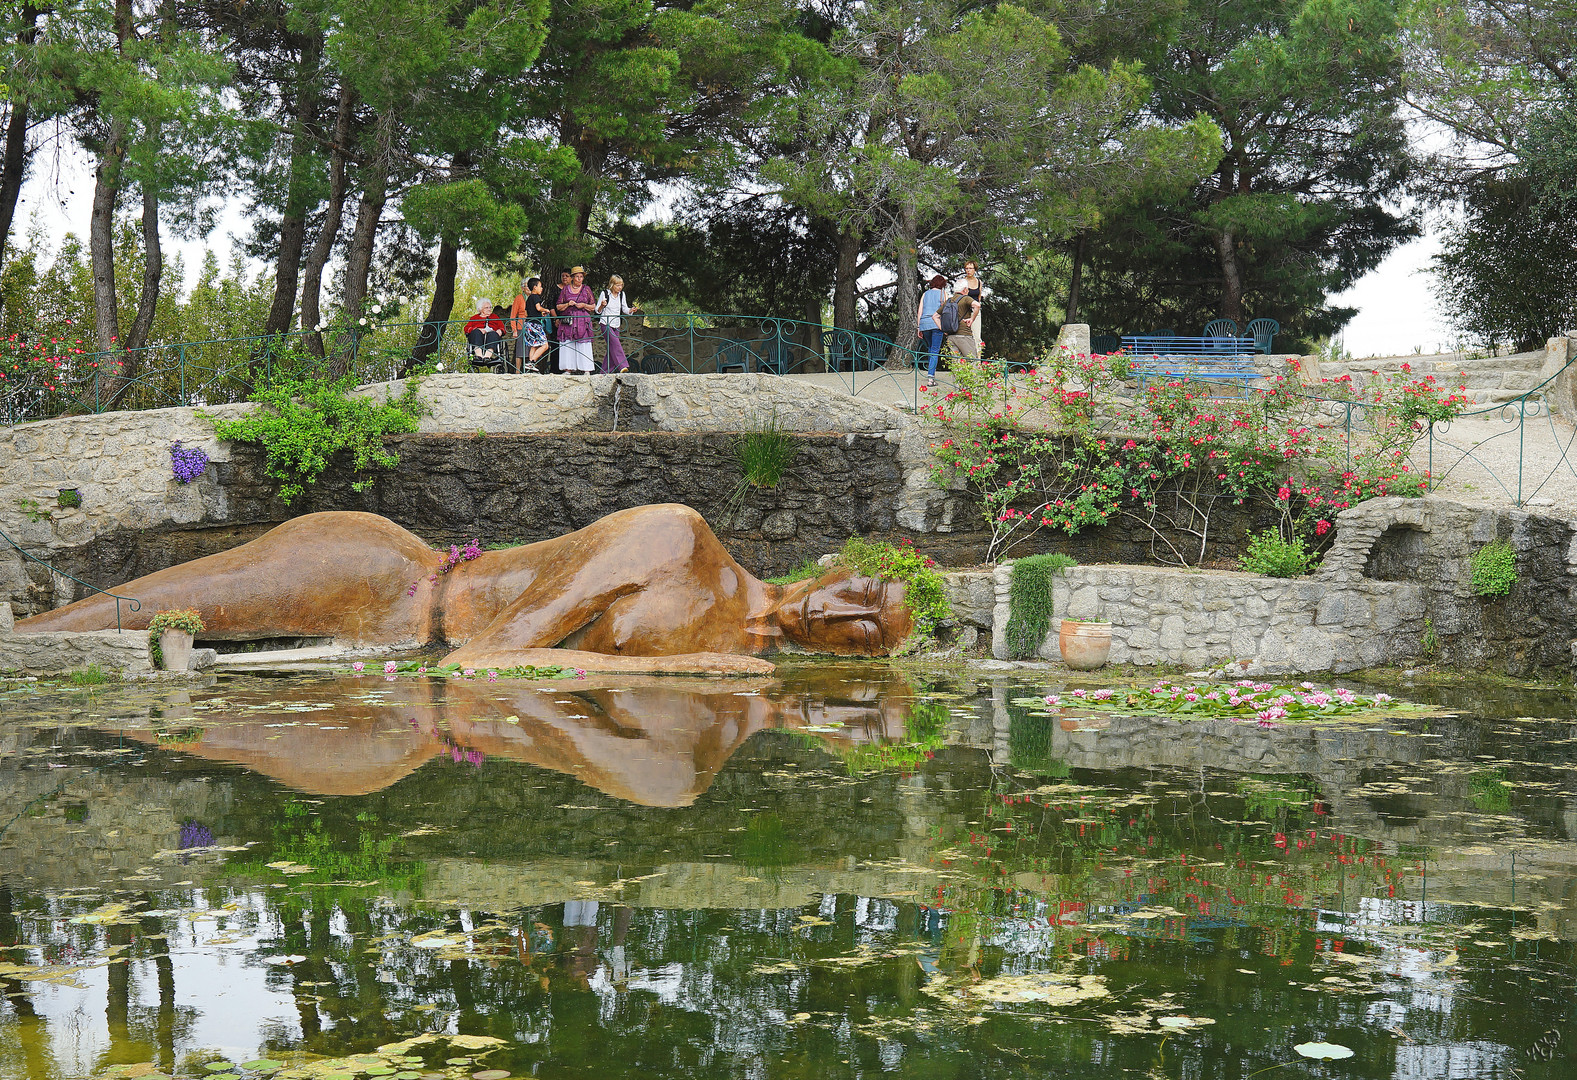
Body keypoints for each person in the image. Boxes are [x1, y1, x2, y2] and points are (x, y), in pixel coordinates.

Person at [15, 505, 914, 670]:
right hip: (391, 581)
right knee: (128, 614)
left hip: (390, 715)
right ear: (843, 564)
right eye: (861, 590)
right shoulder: (679, 536)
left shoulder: (737, 663)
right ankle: (22, 638)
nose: (837, 612)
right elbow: (500, 652)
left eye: (864, 633)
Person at [554, 266, 597, 375]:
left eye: (581, 277)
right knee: (567, 343)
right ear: (572, 278)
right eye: (577, 277)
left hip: (582, 320)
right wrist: (568, 304)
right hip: (568, 321)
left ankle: (586, 369)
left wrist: (584, 305)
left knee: (584, 344)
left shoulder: (586, 289)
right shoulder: (565, 290)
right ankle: (568, 369)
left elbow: (593, 306)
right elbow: (558, 306)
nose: (579, 279)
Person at [596, 275, 641, 373]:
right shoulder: (605, 294)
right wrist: (602, 306)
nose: (620, 287)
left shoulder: (621, 294)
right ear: (612, 285)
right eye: (617, 285)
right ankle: (622, 366)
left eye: (621, 285)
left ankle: (604, 372)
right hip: (606, 323)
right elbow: (597, 310)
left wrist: (630, 310)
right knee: (616, 345)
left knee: (611, 348)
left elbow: (624, 308)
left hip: (616, 324)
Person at [512, 278, 550, 372]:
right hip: (536, 325)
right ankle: (532, 362)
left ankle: (529, 364)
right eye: (540, 286)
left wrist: (540, 314)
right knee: (545, 345)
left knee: (534, 345)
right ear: (535, 287)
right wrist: (545, 310)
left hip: (528, 324)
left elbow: (527, 313)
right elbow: (538, 307)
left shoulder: (528, 299)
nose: (541, 289)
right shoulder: (536, 297)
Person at [916, 273, 947, 387]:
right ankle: (931, 378)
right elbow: (946, 310)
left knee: (930, 348)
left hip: (924, 324)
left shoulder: (925, 294)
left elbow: (920, 311)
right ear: (942, 284)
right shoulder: (943, 294)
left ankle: (931, 373)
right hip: (936, 324)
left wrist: (919, 327)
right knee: (935, 350)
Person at [463, 299, 505, 371]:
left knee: (493, 334)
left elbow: (502, 328)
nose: (489, 309)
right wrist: (477, 329)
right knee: (476, 332)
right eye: (486, 308)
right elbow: (466, 329)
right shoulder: (474, 318)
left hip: (492, 336)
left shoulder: (495, 317)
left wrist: (500, 330)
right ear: (480, 309)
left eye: (490, 307)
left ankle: (487, 357)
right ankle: (479, 356)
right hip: (478, 337)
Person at [955, 260, 987, 356]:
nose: (968, 270)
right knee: (963, 336)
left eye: (970, 268)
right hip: (964, 311)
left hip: (975, 311)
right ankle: (963, 362)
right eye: (966, 268)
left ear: (975, 270)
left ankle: (978, 362)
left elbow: (979, 297)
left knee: (977, 337)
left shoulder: (979, 282)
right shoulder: (962, 282)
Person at [945, 293, 978, 359]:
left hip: (951, 336)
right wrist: (972, 319)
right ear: (965, 289)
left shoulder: (949, 301)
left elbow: (935, 316)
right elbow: (977, 305)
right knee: (972, 360)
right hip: (964, 335)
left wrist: (943, 329)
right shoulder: (966, 298)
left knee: (956, 363)